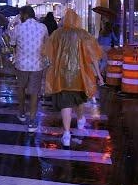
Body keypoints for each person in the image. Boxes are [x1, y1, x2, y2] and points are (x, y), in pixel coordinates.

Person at [44, 8, 105, 147]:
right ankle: (81, 118)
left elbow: (49, 53)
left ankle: (66, 134)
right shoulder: (84, 35)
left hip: (61, 76)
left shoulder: (57, 34)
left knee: (65, 103)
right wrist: (99, 76)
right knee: (79, 99)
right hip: (80, 75)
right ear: (77, 20)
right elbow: (93, 56)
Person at [10, 5, 49, 132]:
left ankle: (21, 113)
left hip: (21, 65)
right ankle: (32, 121)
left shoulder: (18, 28)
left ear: (25, 15)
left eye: (21, 14)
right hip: (37, 65)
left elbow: (12, 44)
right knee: (34, 92)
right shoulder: (43, 27)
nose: (20, 17)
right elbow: (46, 44)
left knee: (21, 88)